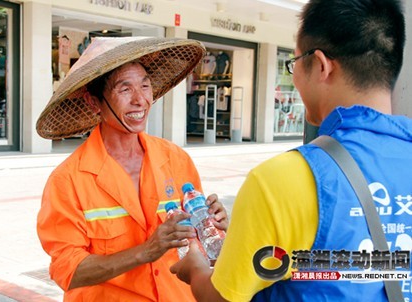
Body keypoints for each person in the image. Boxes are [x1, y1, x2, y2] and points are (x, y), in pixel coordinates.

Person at [170, 0, 412, 301]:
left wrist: (195, 270)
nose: (294, 76)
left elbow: (221, 297)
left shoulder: (282, 179)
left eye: (294, 62)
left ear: (321, 65)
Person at [36, 36, 229, 302]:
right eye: (124, 89)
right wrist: (146, 251)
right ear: (95, 103)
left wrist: (212, 226)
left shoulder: (176, 159)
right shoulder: (68, 180)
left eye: (145, 86)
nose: (140, 100)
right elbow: (67, 269)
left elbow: (195, 243)